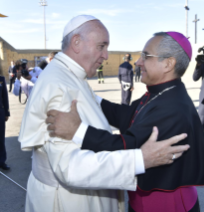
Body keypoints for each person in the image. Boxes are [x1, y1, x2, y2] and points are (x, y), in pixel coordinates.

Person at [18, 15, 190, 212]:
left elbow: (104, 107)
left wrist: (80, 129)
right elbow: (71, 167)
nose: (106, 55)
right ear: (76, 43)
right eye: (101, 46)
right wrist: (140, 159)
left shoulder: (69, 74)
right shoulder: (59, 86)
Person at [46, 31, 204, 212]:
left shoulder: (173, 107)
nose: (138, 62)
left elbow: (129, 148)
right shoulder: (163, 91)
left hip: (165, 205)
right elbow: (126, 114)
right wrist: (88, 95)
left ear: (168, 63)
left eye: (145, 56)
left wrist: (77, 130)